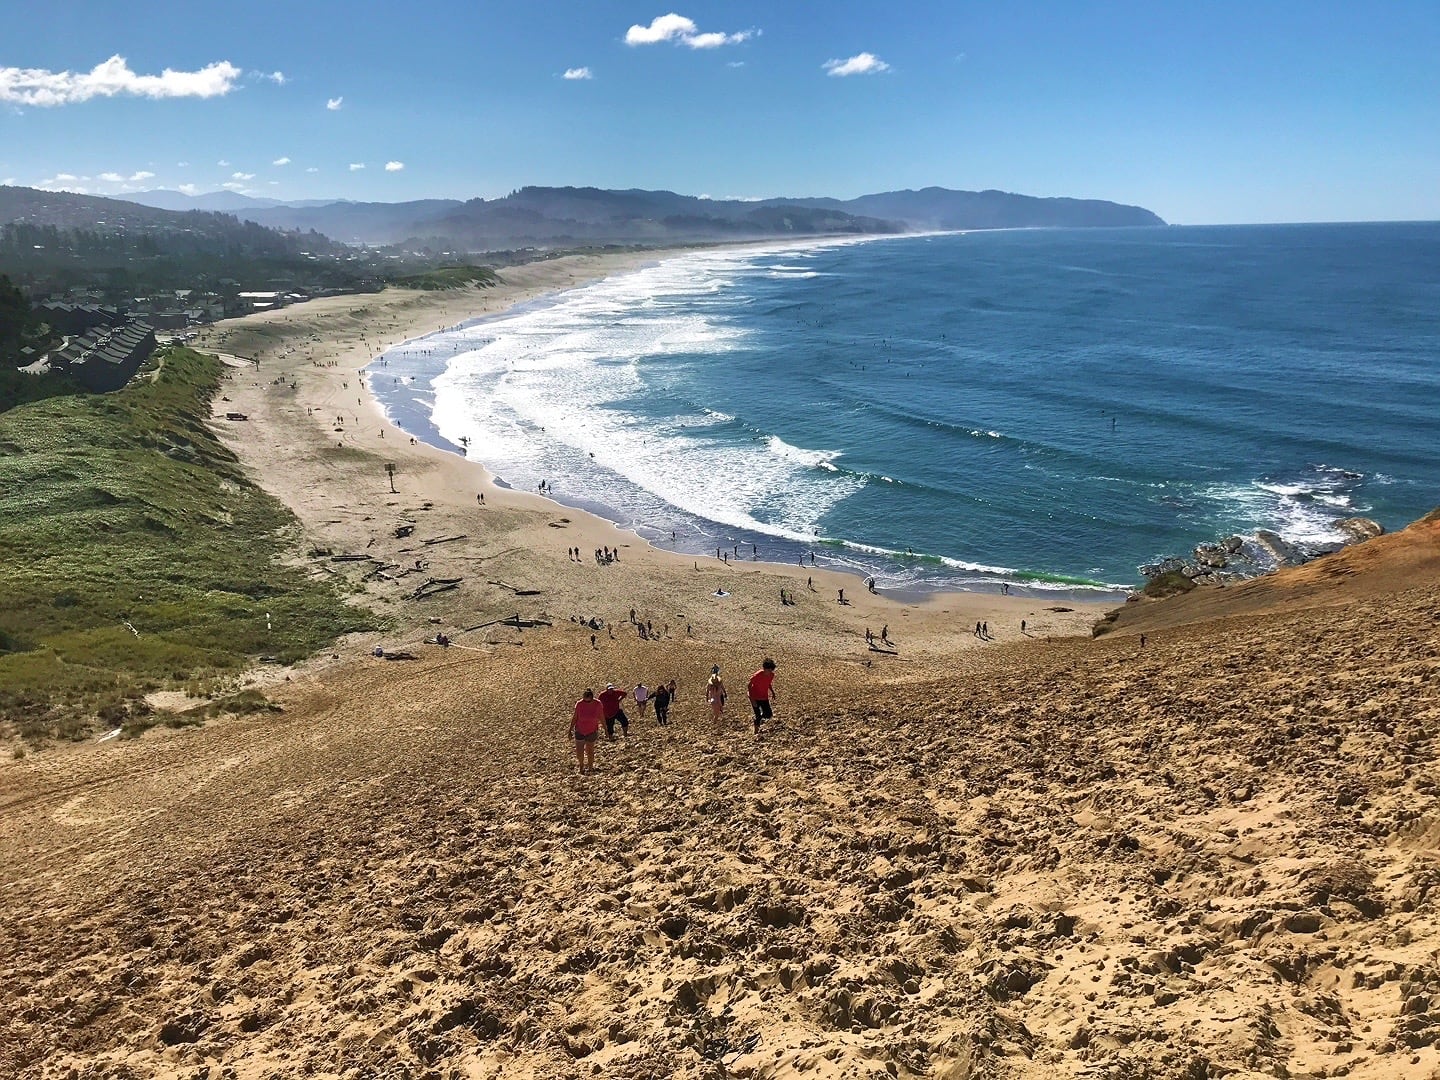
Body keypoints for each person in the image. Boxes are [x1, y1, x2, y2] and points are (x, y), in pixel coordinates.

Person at [570, 688, 603, 774]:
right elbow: (575, 717)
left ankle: (590, 767)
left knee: (590, 750)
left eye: (588, 701)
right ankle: (581, 765)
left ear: (592, 698)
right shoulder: (579, 704)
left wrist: (606, 729)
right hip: (580, 730)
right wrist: (570, 730)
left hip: (592, 730)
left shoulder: (598, 704)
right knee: (579, 751)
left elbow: (601, 716)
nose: (586, 703)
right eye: (585, 701)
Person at [747, 658, 777, 736]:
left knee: (768, 714)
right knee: (758, 715)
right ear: (764, 668)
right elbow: (749, 685)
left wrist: (772, 692)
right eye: (769, 670)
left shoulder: (771, 675)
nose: (770, 672)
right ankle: (756, 732)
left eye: (771, 670)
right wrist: (752, 699)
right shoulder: (758, 675)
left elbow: (768, 683)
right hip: (755, 697)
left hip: (764, 697)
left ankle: (758, 718)